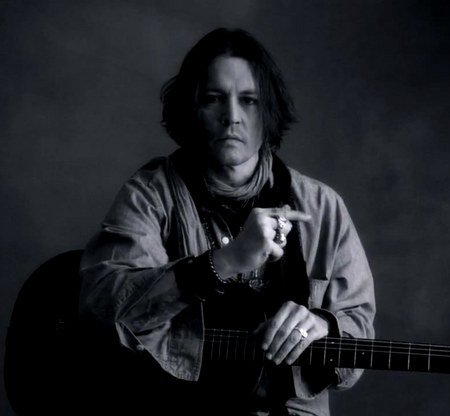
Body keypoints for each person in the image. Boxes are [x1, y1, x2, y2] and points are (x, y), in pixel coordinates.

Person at [78, 28, 375, 416]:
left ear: (268, 112)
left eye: (249, 101)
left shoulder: (324, 208)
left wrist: (323, 325)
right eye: (213, 98)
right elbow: (103, 311)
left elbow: (358, 334)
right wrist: (226, 261)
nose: (232, 117)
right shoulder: (149, 195)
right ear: (192, 109)